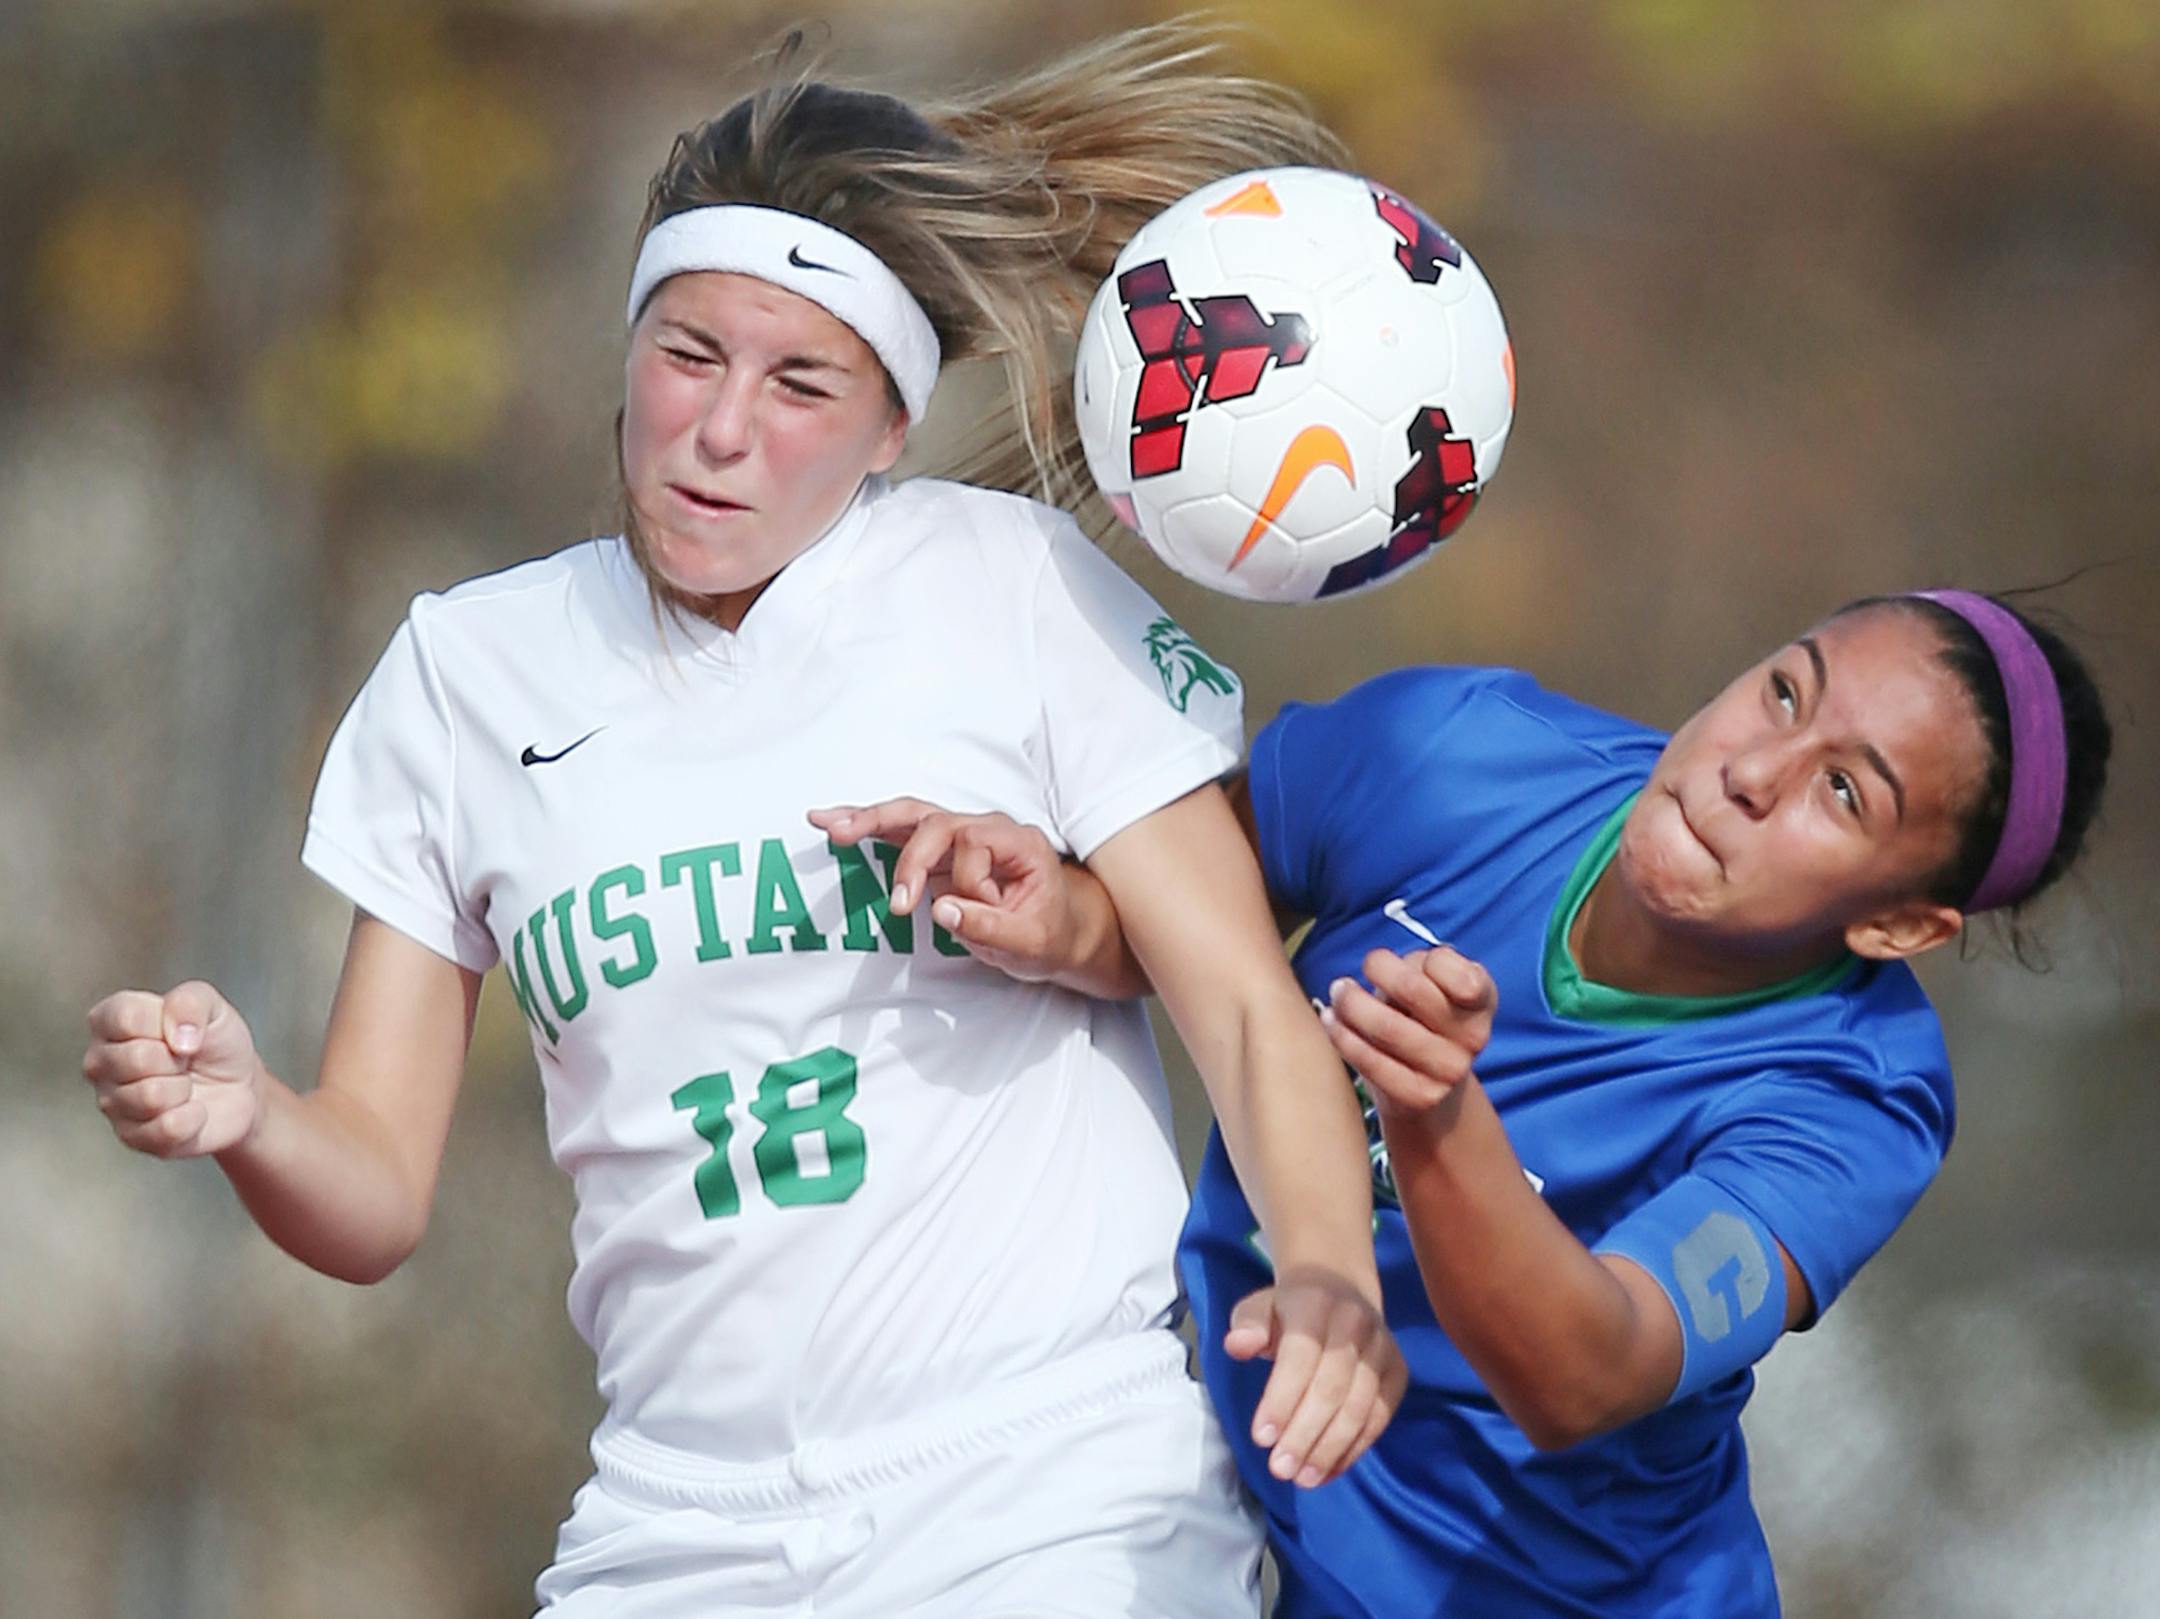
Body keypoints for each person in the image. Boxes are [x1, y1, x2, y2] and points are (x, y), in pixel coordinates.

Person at [76, 26, 1405, 1618]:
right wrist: (250, 1119)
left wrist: (1328, 1274)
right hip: (674, 1522)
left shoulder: (1010, 586)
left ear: (890, 426)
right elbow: (371, 1192)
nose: (721, 428)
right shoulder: (466, 669)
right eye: (690, 353)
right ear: (629, 345)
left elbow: (1247, 1008)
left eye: (800, 384)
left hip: (1044, 1482)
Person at [859, 589, 2112, 1616]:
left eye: (1844, 793)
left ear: (1899, 925)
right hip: (1238, 1538)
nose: (1754, 768)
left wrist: (1438, 1116)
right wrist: (1065, 915)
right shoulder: (1453, 750)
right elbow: (1199, 916)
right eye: (1787, 690)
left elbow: (1586, 1369)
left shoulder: (1852, 1096)